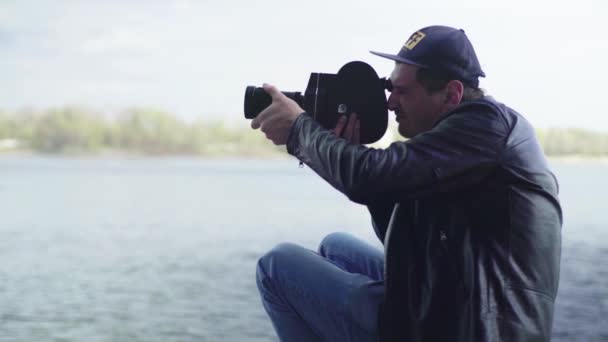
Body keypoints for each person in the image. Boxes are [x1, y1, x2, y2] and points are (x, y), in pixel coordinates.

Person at [251, 25, 562, 342]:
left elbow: (368, 176)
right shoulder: (454, 147)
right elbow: (409, 246)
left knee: (277, 266)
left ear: (451, 94)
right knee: (337, 247)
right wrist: (368, 176)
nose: (390, 103)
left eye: (402, 91)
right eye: (389, 88)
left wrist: (298, 131)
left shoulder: (487, 126)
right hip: (449, 309)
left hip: (474, 330)